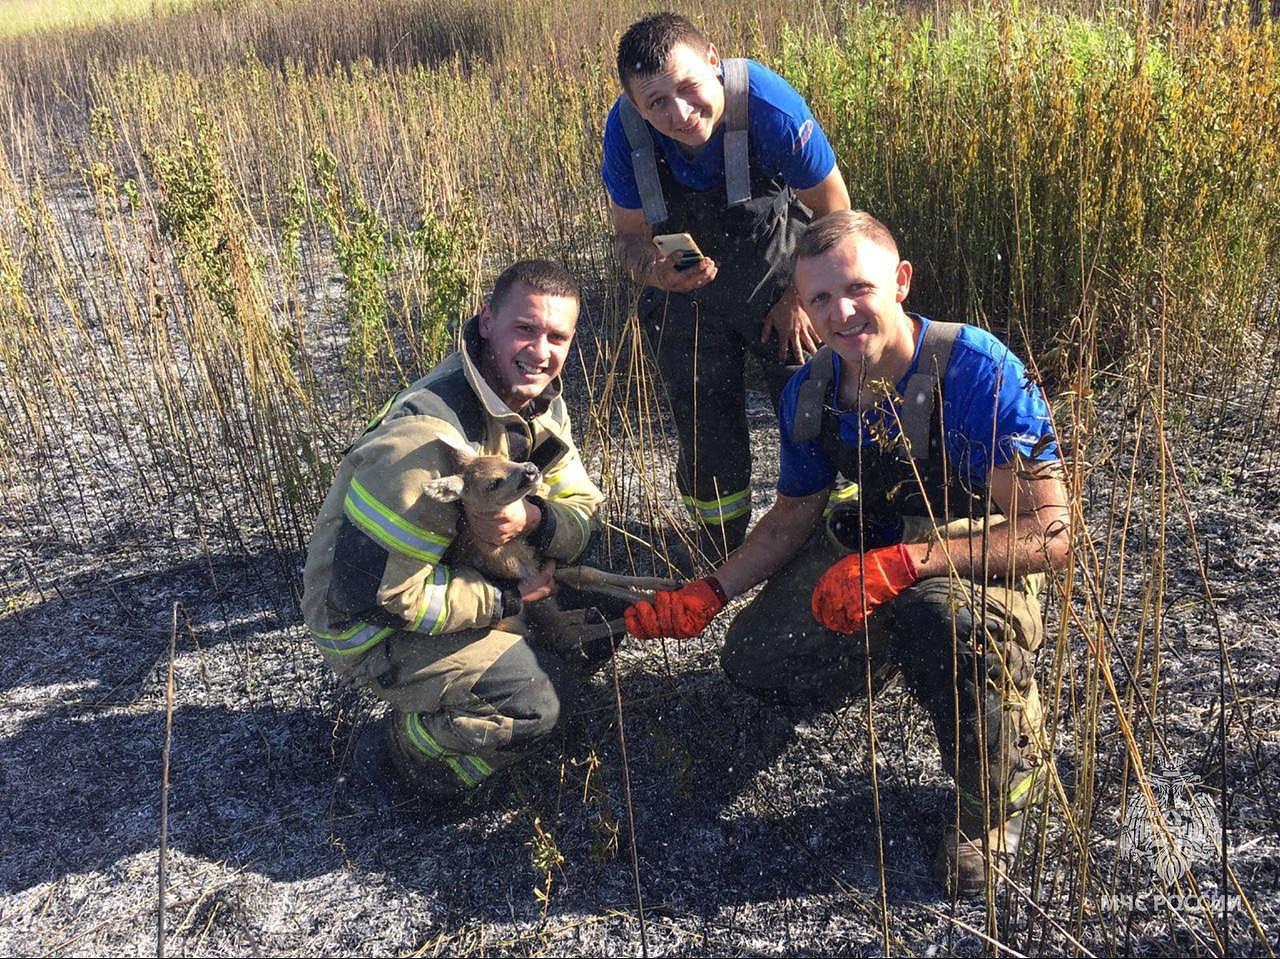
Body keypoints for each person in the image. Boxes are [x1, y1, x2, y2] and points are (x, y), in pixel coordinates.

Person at [625, 211, 1072, 895]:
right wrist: (711, 590)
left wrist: (906, 566)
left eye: (858, 289)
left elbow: (1051, 531)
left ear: (900, 282)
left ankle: (996, 798)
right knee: (754, 661)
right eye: (821, 299)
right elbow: (792, 517)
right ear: (803, 305)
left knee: (948, 624)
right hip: (876, 542)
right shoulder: (812, 388)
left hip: (975, 553)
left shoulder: (979, 372)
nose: (842, 312)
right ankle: (894, 643)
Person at [302, 259, 604, 801]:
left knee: (607, 610)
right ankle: (406, 761)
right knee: (533, 703)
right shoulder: (422, 442)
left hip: (469, 577)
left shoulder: (534, 404)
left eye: (556, 336)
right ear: (487, 321)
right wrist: (510, 598)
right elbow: (381, 596)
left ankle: (516, 692)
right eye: (525, 329)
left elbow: (580, 506)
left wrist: (535, 518)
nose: (541, 352)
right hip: (372, 628)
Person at [602, 12, 851, 563]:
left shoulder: (768, 106)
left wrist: (799, 298)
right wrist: (654, 271)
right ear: (635, 104)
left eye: (689, 88)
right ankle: (719, 544)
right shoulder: (624, 132)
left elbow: (836, 213)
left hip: (777, 273)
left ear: (714, 61)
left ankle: (833, 529)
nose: (680, 113)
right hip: (687, 295)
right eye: (656, 102)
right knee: (701, 412)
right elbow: (628, 238)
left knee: (813, 395)